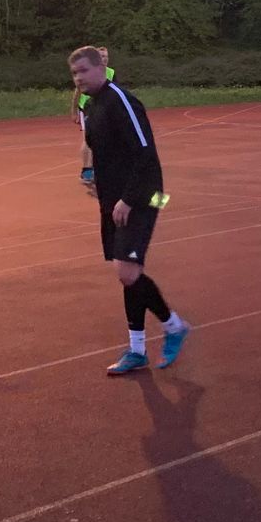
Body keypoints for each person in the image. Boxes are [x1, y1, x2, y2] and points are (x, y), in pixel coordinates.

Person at [70, 45, 188, 376]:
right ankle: (137, 350)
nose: (78, 78)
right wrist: (98, 182)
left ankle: (174, 326)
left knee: (128, 272)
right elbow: (101, 151)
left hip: (146, 196)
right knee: (127, 272)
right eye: (74, 73)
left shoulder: (121, 100)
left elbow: (144, 153)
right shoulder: (91, 105)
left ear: (101, 69)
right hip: (114, 200)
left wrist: (128, 199)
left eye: (84, 70)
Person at [70, 46, 114, 191]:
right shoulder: (88, 74)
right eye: (101, 56)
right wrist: (74, 111)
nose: (104, 59)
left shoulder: (111, 73)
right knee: (88, 138)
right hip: (87, 107)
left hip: (102, 107)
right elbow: (77, 92)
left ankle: (99, 168)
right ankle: (87, 171)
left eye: (106, 56)